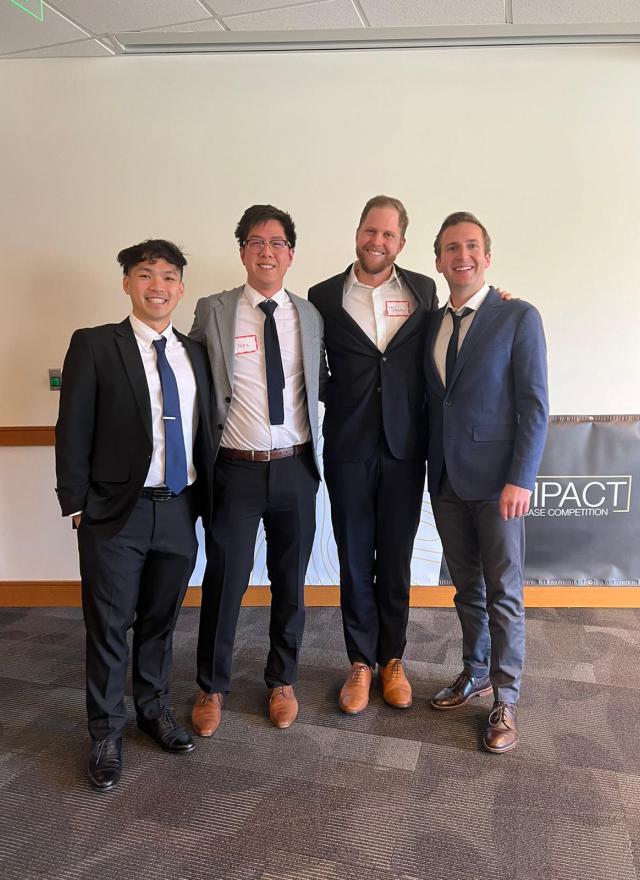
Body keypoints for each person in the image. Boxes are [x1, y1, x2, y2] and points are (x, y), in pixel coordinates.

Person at [55, 240, 214, 791]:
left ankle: (153, 710)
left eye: (169, 277)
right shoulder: (96, 345)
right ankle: (105, 731)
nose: (158, 286)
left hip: (178, 509)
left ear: (180, 288)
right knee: (108, 627)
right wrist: (77, 505)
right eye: (146, 275)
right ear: (127, 283)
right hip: (114, 514)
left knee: (159, 621)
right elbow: (72, 428)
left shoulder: (194, 353)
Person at [189, 204, 323, 736]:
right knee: (225, 581)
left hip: (294, 468)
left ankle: (282, 679)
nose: (266, 251)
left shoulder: (309, 315)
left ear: (291, 253)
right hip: (236, 470)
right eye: (255, 241)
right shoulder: (213, 310)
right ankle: (211, 686)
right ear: (241, 250)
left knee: (291, 581)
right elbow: (191, 374)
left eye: (277, 242)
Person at [308, 196, 438, 715]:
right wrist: (338, 397)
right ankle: (360, 662)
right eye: (369, 231)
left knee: (397, 557)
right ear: (357, 233)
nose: (376, 241)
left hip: (407, 447)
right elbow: (305, 361)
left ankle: (393, 659)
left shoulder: (424, 291)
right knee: (355, 556)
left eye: (387, 235)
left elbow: (452, 337)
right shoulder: (322, 296)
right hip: (349, 445)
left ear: (401, 243)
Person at [425, 211, 548, 753]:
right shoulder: (431, 323)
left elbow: (535, 406)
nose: (462, 256)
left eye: (471, 246)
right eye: (451, 248)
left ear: (487, 256)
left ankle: (506, 697)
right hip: (447, 480)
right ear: (438, 261)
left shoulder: (518, 315)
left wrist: (521, 478)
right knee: (466, 588)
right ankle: (474, 671)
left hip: (500, 486)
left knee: (504, 594)